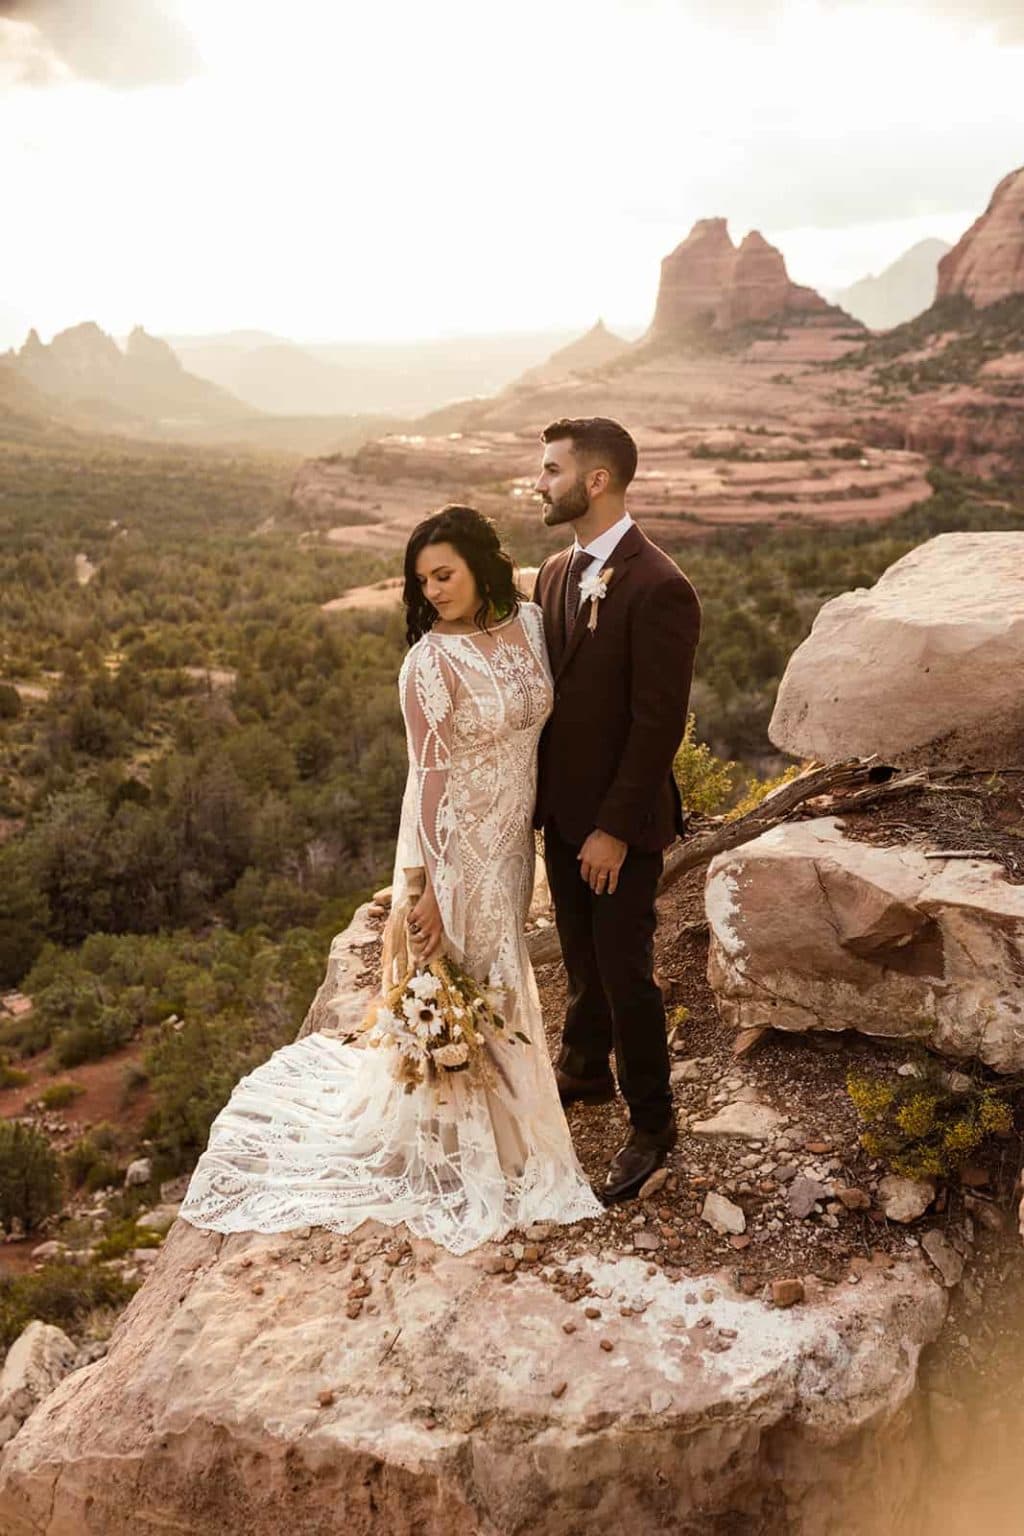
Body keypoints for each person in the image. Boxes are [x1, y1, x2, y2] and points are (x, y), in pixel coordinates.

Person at [178, 505, 602, 1255]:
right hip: (457, 845)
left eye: (445, 574)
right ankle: (470, 1142)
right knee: (469, 976)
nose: (433, 591)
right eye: (422, 581)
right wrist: (427, 890)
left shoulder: (533, 625)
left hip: (510, 844)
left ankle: (504, 1123)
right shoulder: (429, 665)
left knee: (499, 976)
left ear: (480, 563)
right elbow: (427, 784)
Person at [533, 418, 701, 1203]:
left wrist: (610, 829)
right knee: (577, 953)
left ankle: (653, 1122)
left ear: (595, 481)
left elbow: (657, 723)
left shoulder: (660, 586)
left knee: (626, 971)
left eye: (550, 469)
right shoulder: (552, 573)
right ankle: (582, 1068)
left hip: (617, 828)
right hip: (561, 818)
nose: (539, 483)